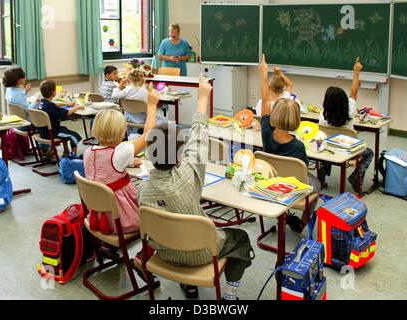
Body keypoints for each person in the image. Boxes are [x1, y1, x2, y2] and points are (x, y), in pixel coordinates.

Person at [139, 76, 254, 301]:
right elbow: (199, 135)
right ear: (180, 154)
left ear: (148, 154)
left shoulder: (143, 189)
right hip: (200, 253)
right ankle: (231, 294)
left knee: (177, 224)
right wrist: (203, 97)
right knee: (240, 238)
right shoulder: (189, 172)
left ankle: (189, 286)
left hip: (164, 251)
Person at [84, 85, 159, 236]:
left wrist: (129, 161)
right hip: (121, 217)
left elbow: (106, 169)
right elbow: (147, 135)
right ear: (121, 133)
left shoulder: (88, 152)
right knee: (156, 204)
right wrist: (151, 106)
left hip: (98, 213)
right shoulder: (120, 152)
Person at [259, 55, 321, 233]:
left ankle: (285, 215)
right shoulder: (298, 146)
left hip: (269, 183)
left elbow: (264, 101)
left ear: (274, 113)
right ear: (297, 120)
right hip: (290, 188)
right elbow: (303, 173)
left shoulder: (266, 133)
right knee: (316, 183)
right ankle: (302, 222)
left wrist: (264, 74)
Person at [318, 57, 374, 194]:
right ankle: (356, 177)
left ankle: (322, 176)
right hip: (348, 150)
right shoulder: (350, 110)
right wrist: (356, 72)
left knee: (324, 144)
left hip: (329, 149)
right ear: (345, 103)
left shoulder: (322, 116)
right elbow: (354, 92)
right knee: (369, 153)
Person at [111, 60, 166, 139]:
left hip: (129, 119)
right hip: (143, 119)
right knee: (164, 120)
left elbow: (114, 95)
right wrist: (151, 90)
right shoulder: (145, 92)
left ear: (130, 80)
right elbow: (152, 104)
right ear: (142, 80)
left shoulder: (126, 90)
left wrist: (120, 85)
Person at [38, 80, 83, 156]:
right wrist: (77, 107)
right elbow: (66, 113)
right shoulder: (50, 106)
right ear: (54, 93)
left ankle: (66, 152)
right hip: (51, 133)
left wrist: (67, 104)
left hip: (43, 131)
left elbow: (54, 104)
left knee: (64, 129)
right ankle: (73, 157)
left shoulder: (42, 102)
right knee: (74, 136)